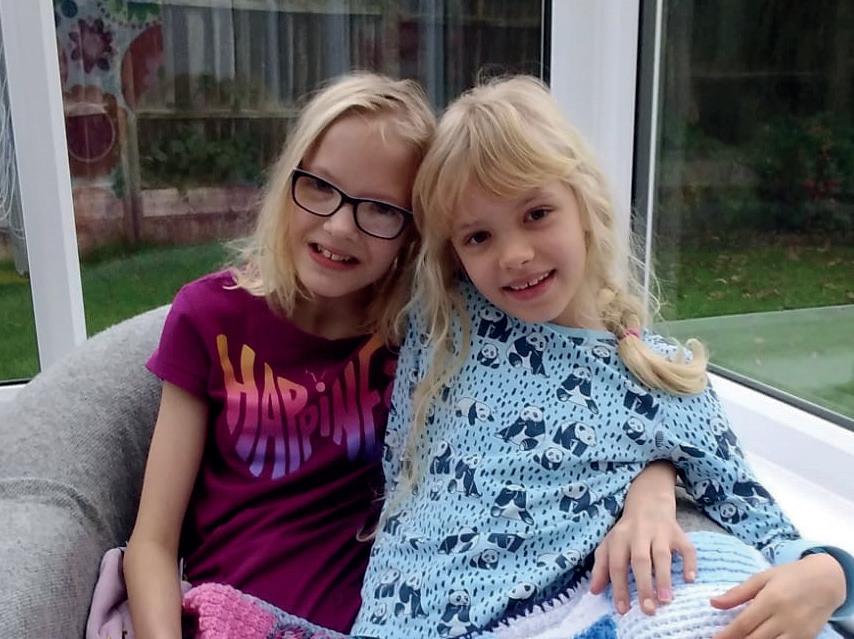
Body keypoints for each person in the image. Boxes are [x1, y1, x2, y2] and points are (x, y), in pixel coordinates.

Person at [351, 76, 853, 639]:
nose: (514, 255)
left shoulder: (658, 378)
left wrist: (829, 575)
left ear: (584, 202)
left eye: (537, 213)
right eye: (478, 238)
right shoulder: (448, 321)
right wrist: (653, 480)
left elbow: (761, 523)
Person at [123, 72, 435, 637]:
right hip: (226, 621)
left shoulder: (419, 338)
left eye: (380, 209)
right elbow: (152, 543)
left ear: (412, 233)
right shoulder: (209, 317)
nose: (340, 226)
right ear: (288, 179)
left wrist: (630, 499)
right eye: (320, 186)